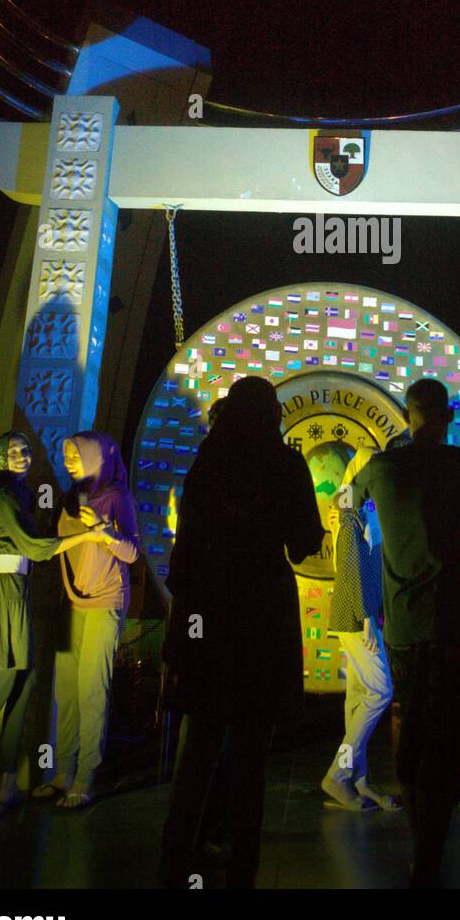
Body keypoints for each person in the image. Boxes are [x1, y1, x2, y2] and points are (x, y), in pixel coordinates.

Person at [159, 376, 322, 889]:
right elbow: (300, 546)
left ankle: (173, 860)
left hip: (209, 609)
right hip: (263, 613)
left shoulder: (209, 459)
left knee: (200, 744)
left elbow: (185, 548)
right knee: (253, 755)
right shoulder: (286, 462)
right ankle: (242, 868)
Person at [349, 379, 460, 887]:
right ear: (447, 415)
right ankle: (435, 839)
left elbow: (351, 503)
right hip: (456, 618)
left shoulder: (382, 467)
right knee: (453, 729)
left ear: (408, 415)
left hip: (404, 625)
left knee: (413, 726)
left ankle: (419, 846)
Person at [0, 431, 104, 814]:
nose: (22, 456)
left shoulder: (13, 496)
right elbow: (35, 548)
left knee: (23, 686)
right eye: (13, 451)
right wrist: (88, 535)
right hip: (1, 592)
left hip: (13, 590)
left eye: (25, 450)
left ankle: (7, 783)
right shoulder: (4, 497)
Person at [32, 432, 140, 809]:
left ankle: (85, 777)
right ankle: (63, 771)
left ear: (98, 455)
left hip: (105, 601)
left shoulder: (117, 497)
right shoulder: (72, 497)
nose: (69, 460)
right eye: (66, 454)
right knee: (65, 690)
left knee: (91, 688)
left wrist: (105, 533)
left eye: (76, 454)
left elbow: (132, 552)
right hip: (69, 602)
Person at [322, 441, 400, 813]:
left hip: (361, 614)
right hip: (358, 616)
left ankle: (358, 780)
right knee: (381, 691)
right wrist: (369, 615)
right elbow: (351, 563)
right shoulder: (351, 509)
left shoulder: (365, 506)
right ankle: (339, 775)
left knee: (358, 699)